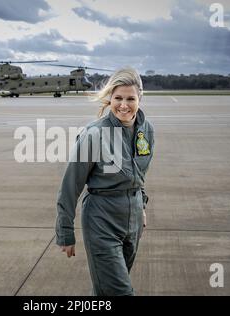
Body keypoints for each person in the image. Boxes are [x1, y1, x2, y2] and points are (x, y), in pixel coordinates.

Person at [55, 68, 155, 296]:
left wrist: (142, 206)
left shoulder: (146, 130)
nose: (123, 105)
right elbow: (70, 186)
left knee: (106, 292)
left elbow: (139, 175)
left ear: (140, 98)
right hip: (102, 220)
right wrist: (65, 232)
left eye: (130, 98)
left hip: (133, 221)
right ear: (110, 98)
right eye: (118, 98)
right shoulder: (94, 134)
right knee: (120, 292)